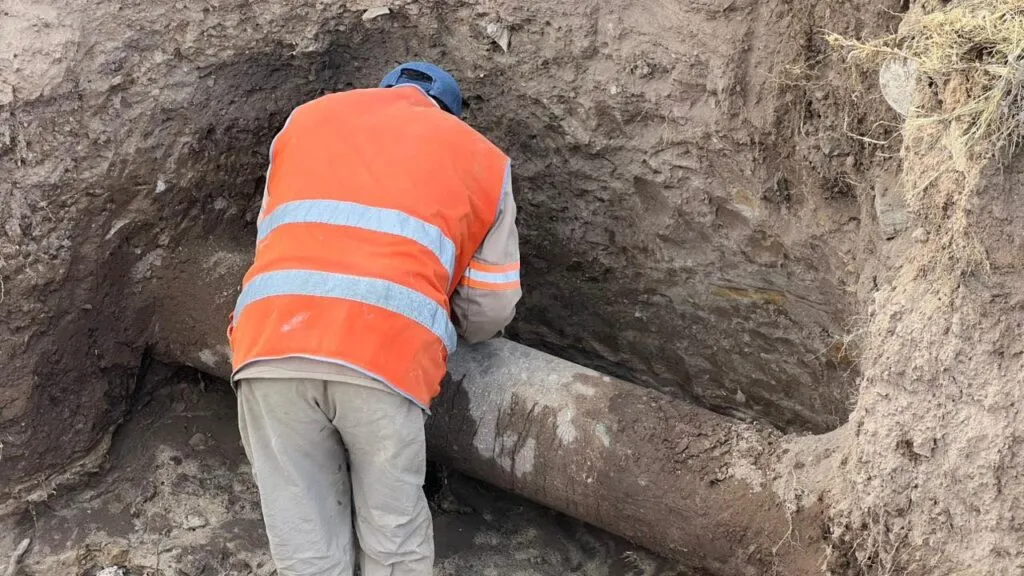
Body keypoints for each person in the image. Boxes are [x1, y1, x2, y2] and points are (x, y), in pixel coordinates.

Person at [226, 62, 522, 576]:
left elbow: (272, 237)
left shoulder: (306, 120)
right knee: (393, 528)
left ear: (383, 91)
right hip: (386, 357)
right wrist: (456, 333)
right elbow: (490, 304)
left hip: (268, 341)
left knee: (302, 528)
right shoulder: (483, 159)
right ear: (449, 113)